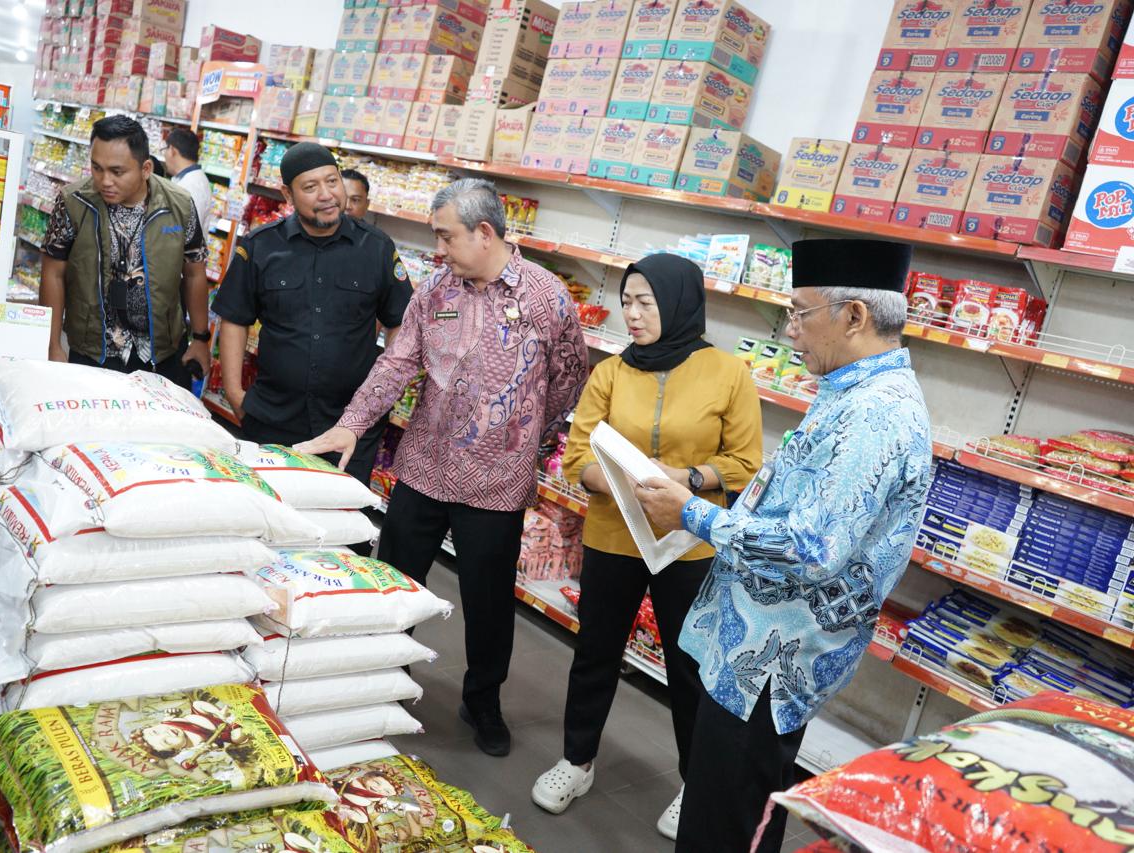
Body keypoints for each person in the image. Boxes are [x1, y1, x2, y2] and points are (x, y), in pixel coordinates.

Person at [635, 239, 933, 853]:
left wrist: (691, 513)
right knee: (736, 812)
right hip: (757, 645)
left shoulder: (874, 416)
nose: (790, 332)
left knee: (724, 824)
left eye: (800, 314)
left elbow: (813, 549)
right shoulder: (850, 392)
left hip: (772, 660)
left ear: (853, 316)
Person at [298, 178, 588, 757]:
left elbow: (570, 376)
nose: (438, 248)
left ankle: (482, 701)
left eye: (445, 235)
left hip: (497, 483)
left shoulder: (545, 296)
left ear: (485, 233)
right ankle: (380, 680)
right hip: (424, 468)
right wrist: (351, 424)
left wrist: (524, 430)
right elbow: (397, 363)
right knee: (397, 584)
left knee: (487, 605)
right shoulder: (434, 290)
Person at [531, 254, 763, 840]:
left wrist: (687, 481)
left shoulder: (728, 373)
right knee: (595, 653)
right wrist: (621, 483)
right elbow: (577, 457)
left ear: (680, 303)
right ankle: (576, 760)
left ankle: (695, 781)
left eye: (645, 303)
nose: (631, 315)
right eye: (626, 302)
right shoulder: (610, 372)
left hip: (689, 542)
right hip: (614, 536)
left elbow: (744, 464)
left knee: (690, 668)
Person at [212, 142, 412, 488]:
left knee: (345, 524)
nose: (327, 195)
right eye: (310, 187)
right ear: (286, 193)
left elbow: (401, 322)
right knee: (269, 516)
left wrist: (378, 398)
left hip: (350, 424)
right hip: (273, 417)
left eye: (332, 182)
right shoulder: (260, 246)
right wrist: (234, 392)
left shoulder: (376, 248)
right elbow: (235, 319)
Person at [40, 114, 210, 388]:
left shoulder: (179, 206)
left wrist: (201, 339)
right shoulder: (73, 203)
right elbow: (53, 273)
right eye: (97, 168)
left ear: (145, 168)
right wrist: (52, 345)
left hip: (161, 354)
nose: (104, 180)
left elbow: (194, 273)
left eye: (117, 172)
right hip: (93, 352)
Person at [164, 127, 213, 236]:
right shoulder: (185, 179)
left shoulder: (192, 186)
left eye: (165, 149)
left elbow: (185, 231)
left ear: (172, 150)